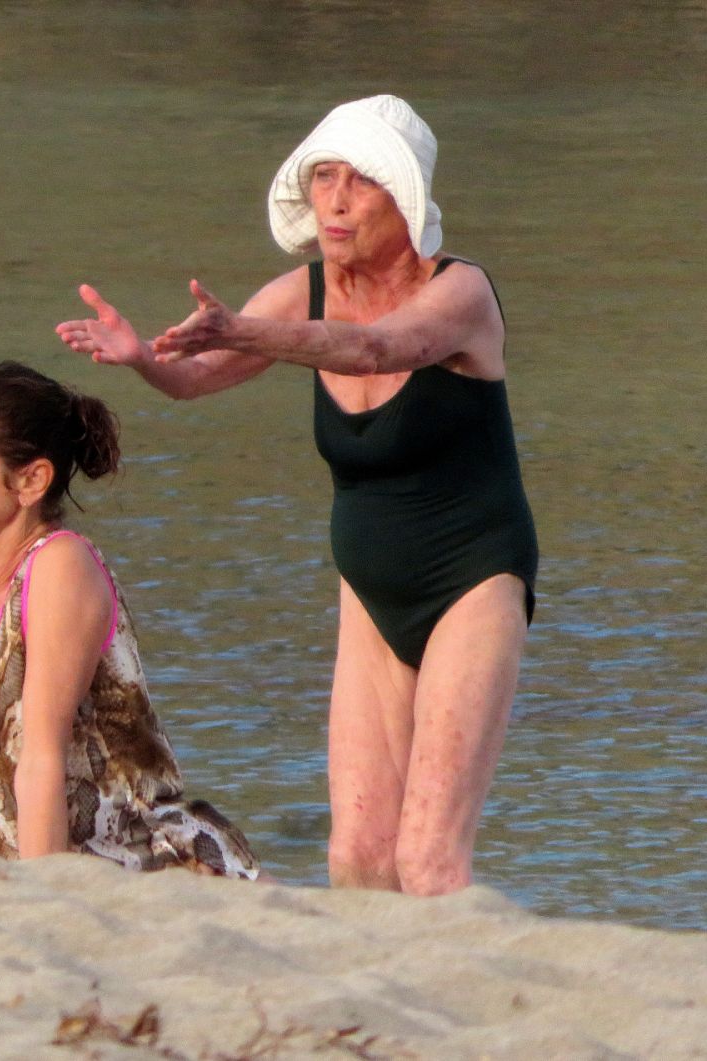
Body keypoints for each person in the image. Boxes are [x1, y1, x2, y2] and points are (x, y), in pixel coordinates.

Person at [55, 95, 536, 896]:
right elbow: (192, 376)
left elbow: (377, 346)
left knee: (426, 859)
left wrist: (244, 331)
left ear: (405, 199)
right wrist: (143, 357)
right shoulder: (301, 293)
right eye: (324, 178)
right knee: (358, 858)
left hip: (473, 579)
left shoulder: (462, 293)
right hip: (369, 596)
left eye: (362, 182)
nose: (338, 200)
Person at [0, 360, 261, 881]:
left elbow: (41, 759)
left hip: (155, 875)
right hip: (46, 876)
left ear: (31, 480)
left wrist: (43, 908)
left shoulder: (58, 565)